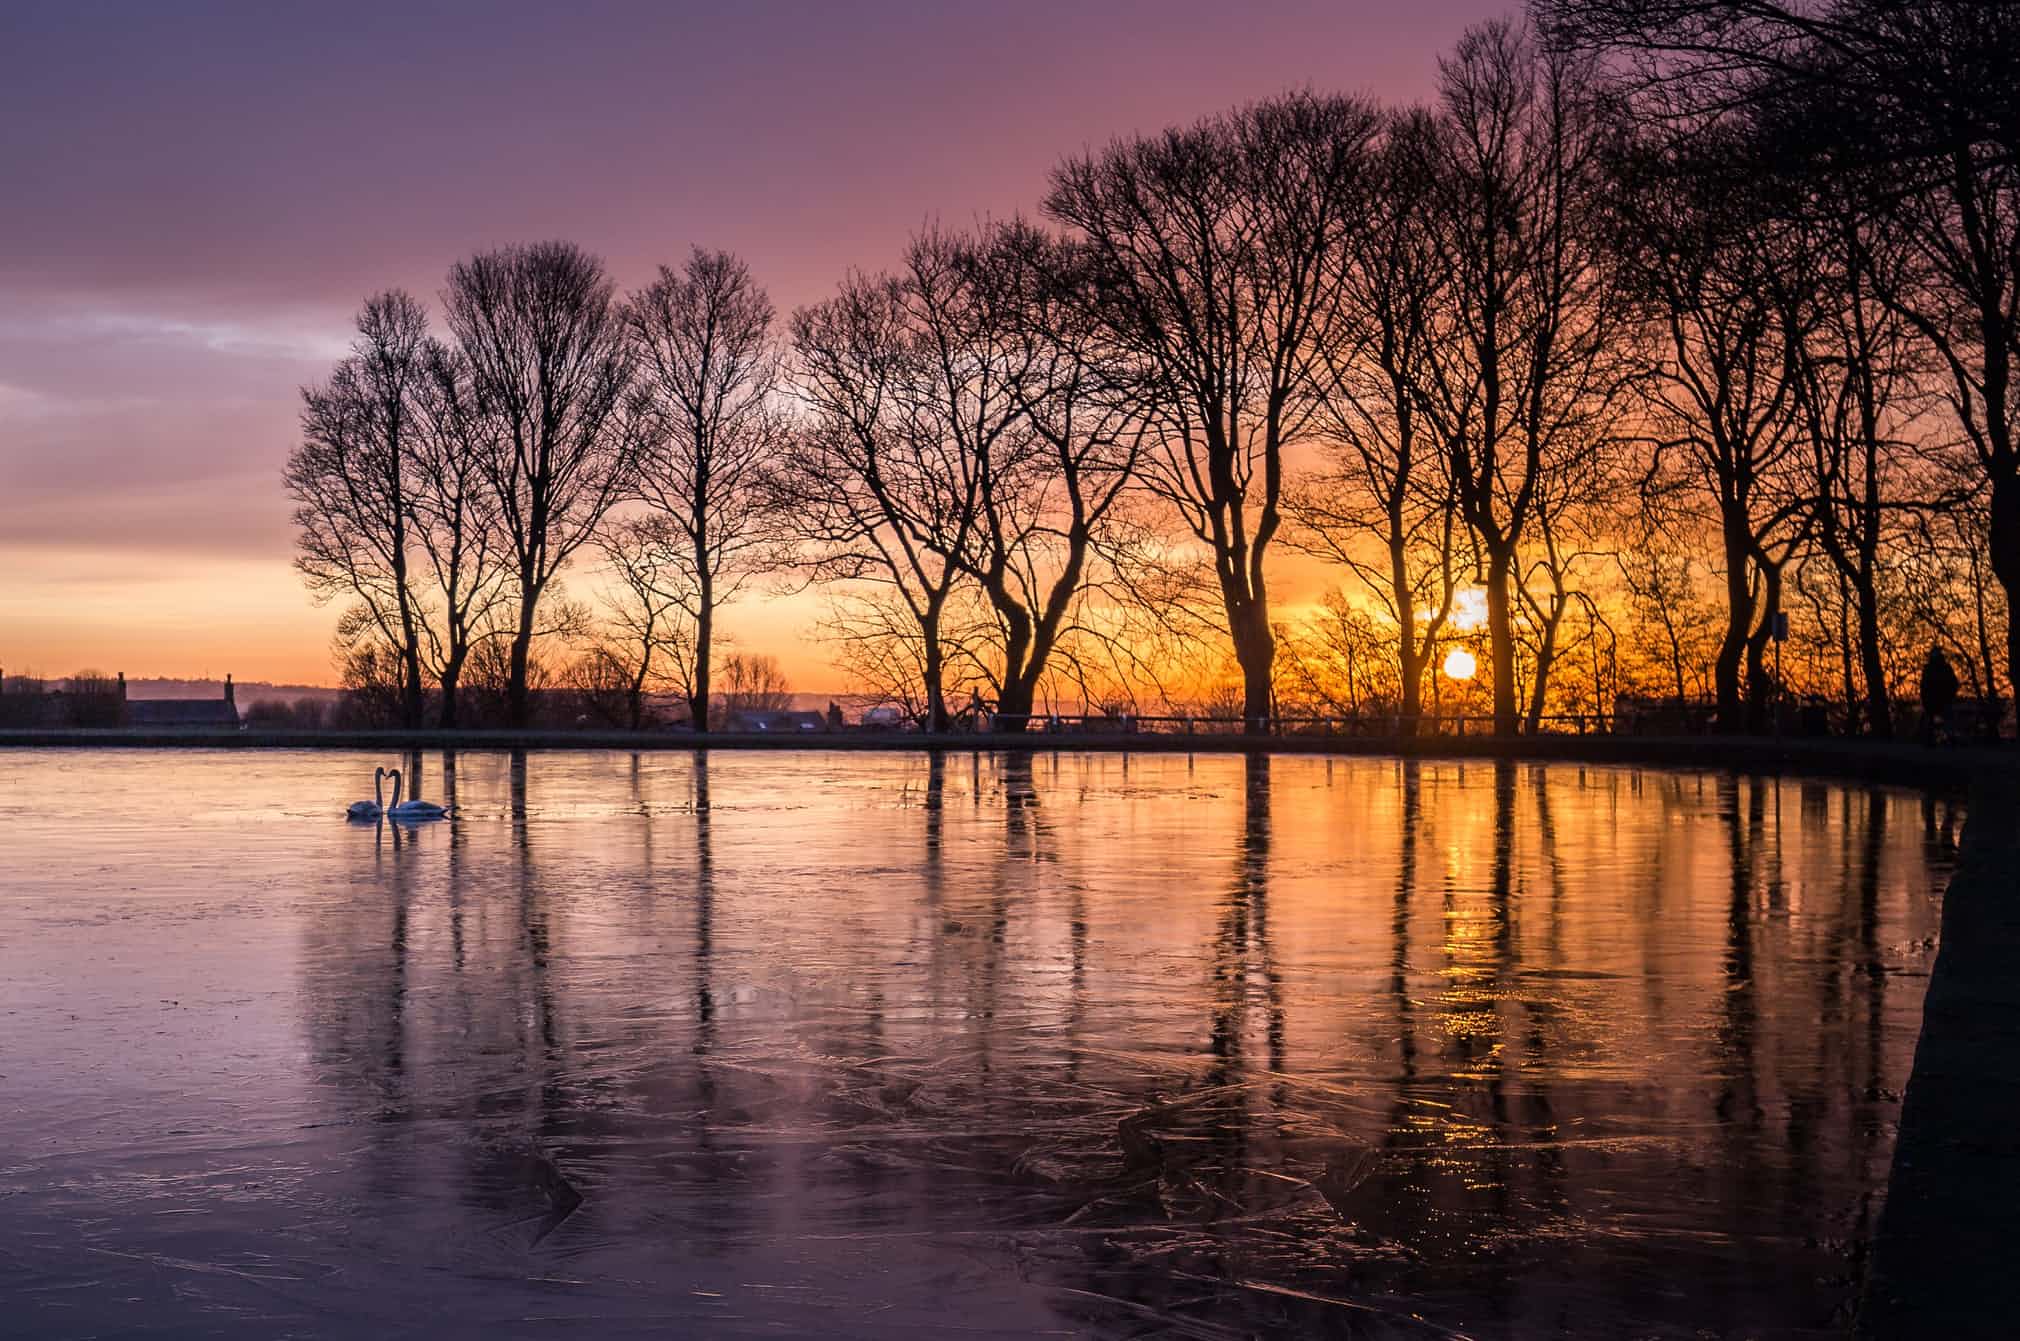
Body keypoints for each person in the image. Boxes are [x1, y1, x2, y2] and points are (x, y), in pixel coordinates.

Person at [1920, 646, 1960, 744]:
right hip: (1935, 701)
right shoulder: (1932, 668)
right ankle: (1934, 738)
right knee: (1935, 720)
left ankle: (1944, 738)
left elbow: (1953, 683)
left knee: (1944, 719)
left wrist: (1950, 695)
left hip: (1941, 700)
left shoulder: (1936, 668)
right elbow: (1924, 686)